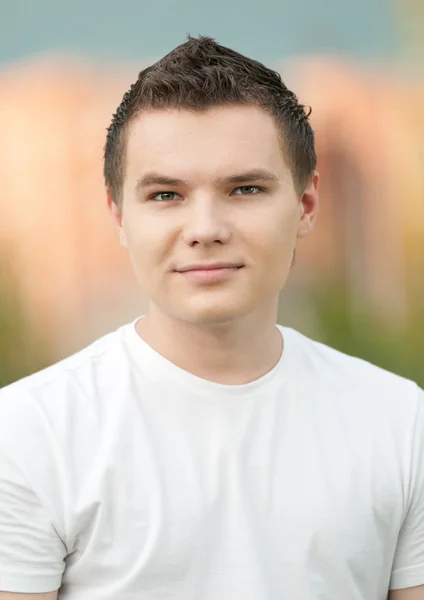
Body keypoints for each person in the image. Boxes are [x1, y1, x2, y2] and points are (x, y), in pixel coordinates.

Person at [0, 35, 423, 600]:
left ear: (306, 205)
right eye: (166, 195)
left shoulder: (401, 422)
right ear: (117, 213)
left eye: (244, 188)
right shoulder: (28, 433)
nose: (205, 228)